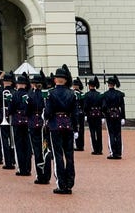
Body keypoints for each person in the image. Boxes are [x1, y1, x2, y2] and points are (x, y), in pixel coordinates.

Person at [45, 64, 78, 195]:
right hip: (68, 125)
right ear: (65, 80)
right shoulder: (72, 94)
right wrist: (75, 129)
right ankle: (70, 183)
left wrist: (46, 117)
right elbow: (75, 113)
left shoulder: (51, 94)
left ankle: (61, 184)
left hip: (55, 125)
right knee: (69, 155)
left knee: (58, 155)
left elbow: (48, 112)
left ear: (55, 80)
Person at [28, 72, 51, 185]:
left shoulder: (30, 96)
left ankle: (40, 175)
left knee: (37, 151)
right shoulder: (45, 95)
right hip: (44, 124)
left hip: (33, 123)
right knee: (45, 148)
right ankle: (46, 174)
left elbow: (27, 111)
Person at [101, 75, 126, 159]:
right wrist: (123, 117)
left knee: (111, 134)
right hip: (118, 115)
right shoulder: (119, 94)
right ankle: (119, 152)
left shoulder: (105, 95)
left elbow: (103, 107)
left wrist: (103, 116)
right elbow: (122, 106)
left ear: (109, 84)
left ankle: (113, 152)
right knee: (118, 134)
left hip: (109, 115)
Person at [83, 76, 103, 155]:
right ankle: (100, 149)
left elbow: (85, 106)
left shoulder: (87, 95)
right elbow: (102, 106)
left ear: (89, 86)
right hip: (98, 114)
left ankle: (95, 149)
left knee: (92, 132)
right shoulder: (99, 94)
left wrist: (86, 114)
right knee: (99, 132)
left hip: (90, 114)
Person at [71, 78, 86, 151]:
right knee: (75, 128)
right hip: (75, 112)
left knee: (80, 129)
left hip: (79, 113)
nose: (75, 86)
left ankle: (80, 145)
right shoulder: (73, 93)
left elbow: (84, 104)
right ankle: (76, 144)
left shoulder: (79, 94)